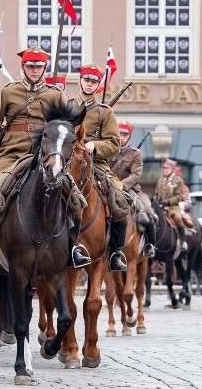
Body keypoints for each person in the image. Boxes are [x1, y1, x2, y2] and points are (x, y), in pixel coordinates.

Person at [0, 46, 91, 268]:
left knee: (75, 198)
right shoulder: (8, 92)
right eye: (30, 66)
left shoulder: (56, 94)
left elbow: (65, 126)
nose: (35, 70)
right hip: (12, 154)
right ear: (23, 67)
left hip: (46, 156)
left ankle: (73, 248)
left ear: (45, 68)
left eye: (39, 66)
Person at [69, 63, 127, 271]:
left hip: (95, 163)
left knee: (120, 198)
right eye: (86, 80)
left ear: (98, 86)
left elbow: (114, 143)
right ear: (80, 81)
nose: (89, 84)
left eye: (94, 82)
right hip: (68, 159)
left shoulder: (105, 112)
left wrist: (95, 145)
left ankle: (115, 252)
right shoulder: (67, 106)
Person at [108, 121, 156, 257]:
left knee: (146, 208)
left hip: (129, 188)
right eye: (120, 134)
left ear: (129, 136)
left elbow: (135, 175)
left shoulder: (135, 154)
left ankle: (150, 244)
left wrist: (121, 185)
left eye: (125, 134)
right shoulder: (109, 150)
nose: (122, 137)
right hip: (108, 185)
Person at [154, 159, 192, 249]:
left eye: (167, 168)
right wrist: (155, 201)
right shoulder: (160, 180)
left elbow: (179, 196)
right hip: (160, 206)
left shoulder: (178, 181)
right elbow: (156, 193)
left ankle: (183, 241)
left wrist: (168, 201)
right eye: (164, 168)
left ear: (172, 169)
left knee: (178, 218)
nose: (165, 170)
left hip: (173, 207)